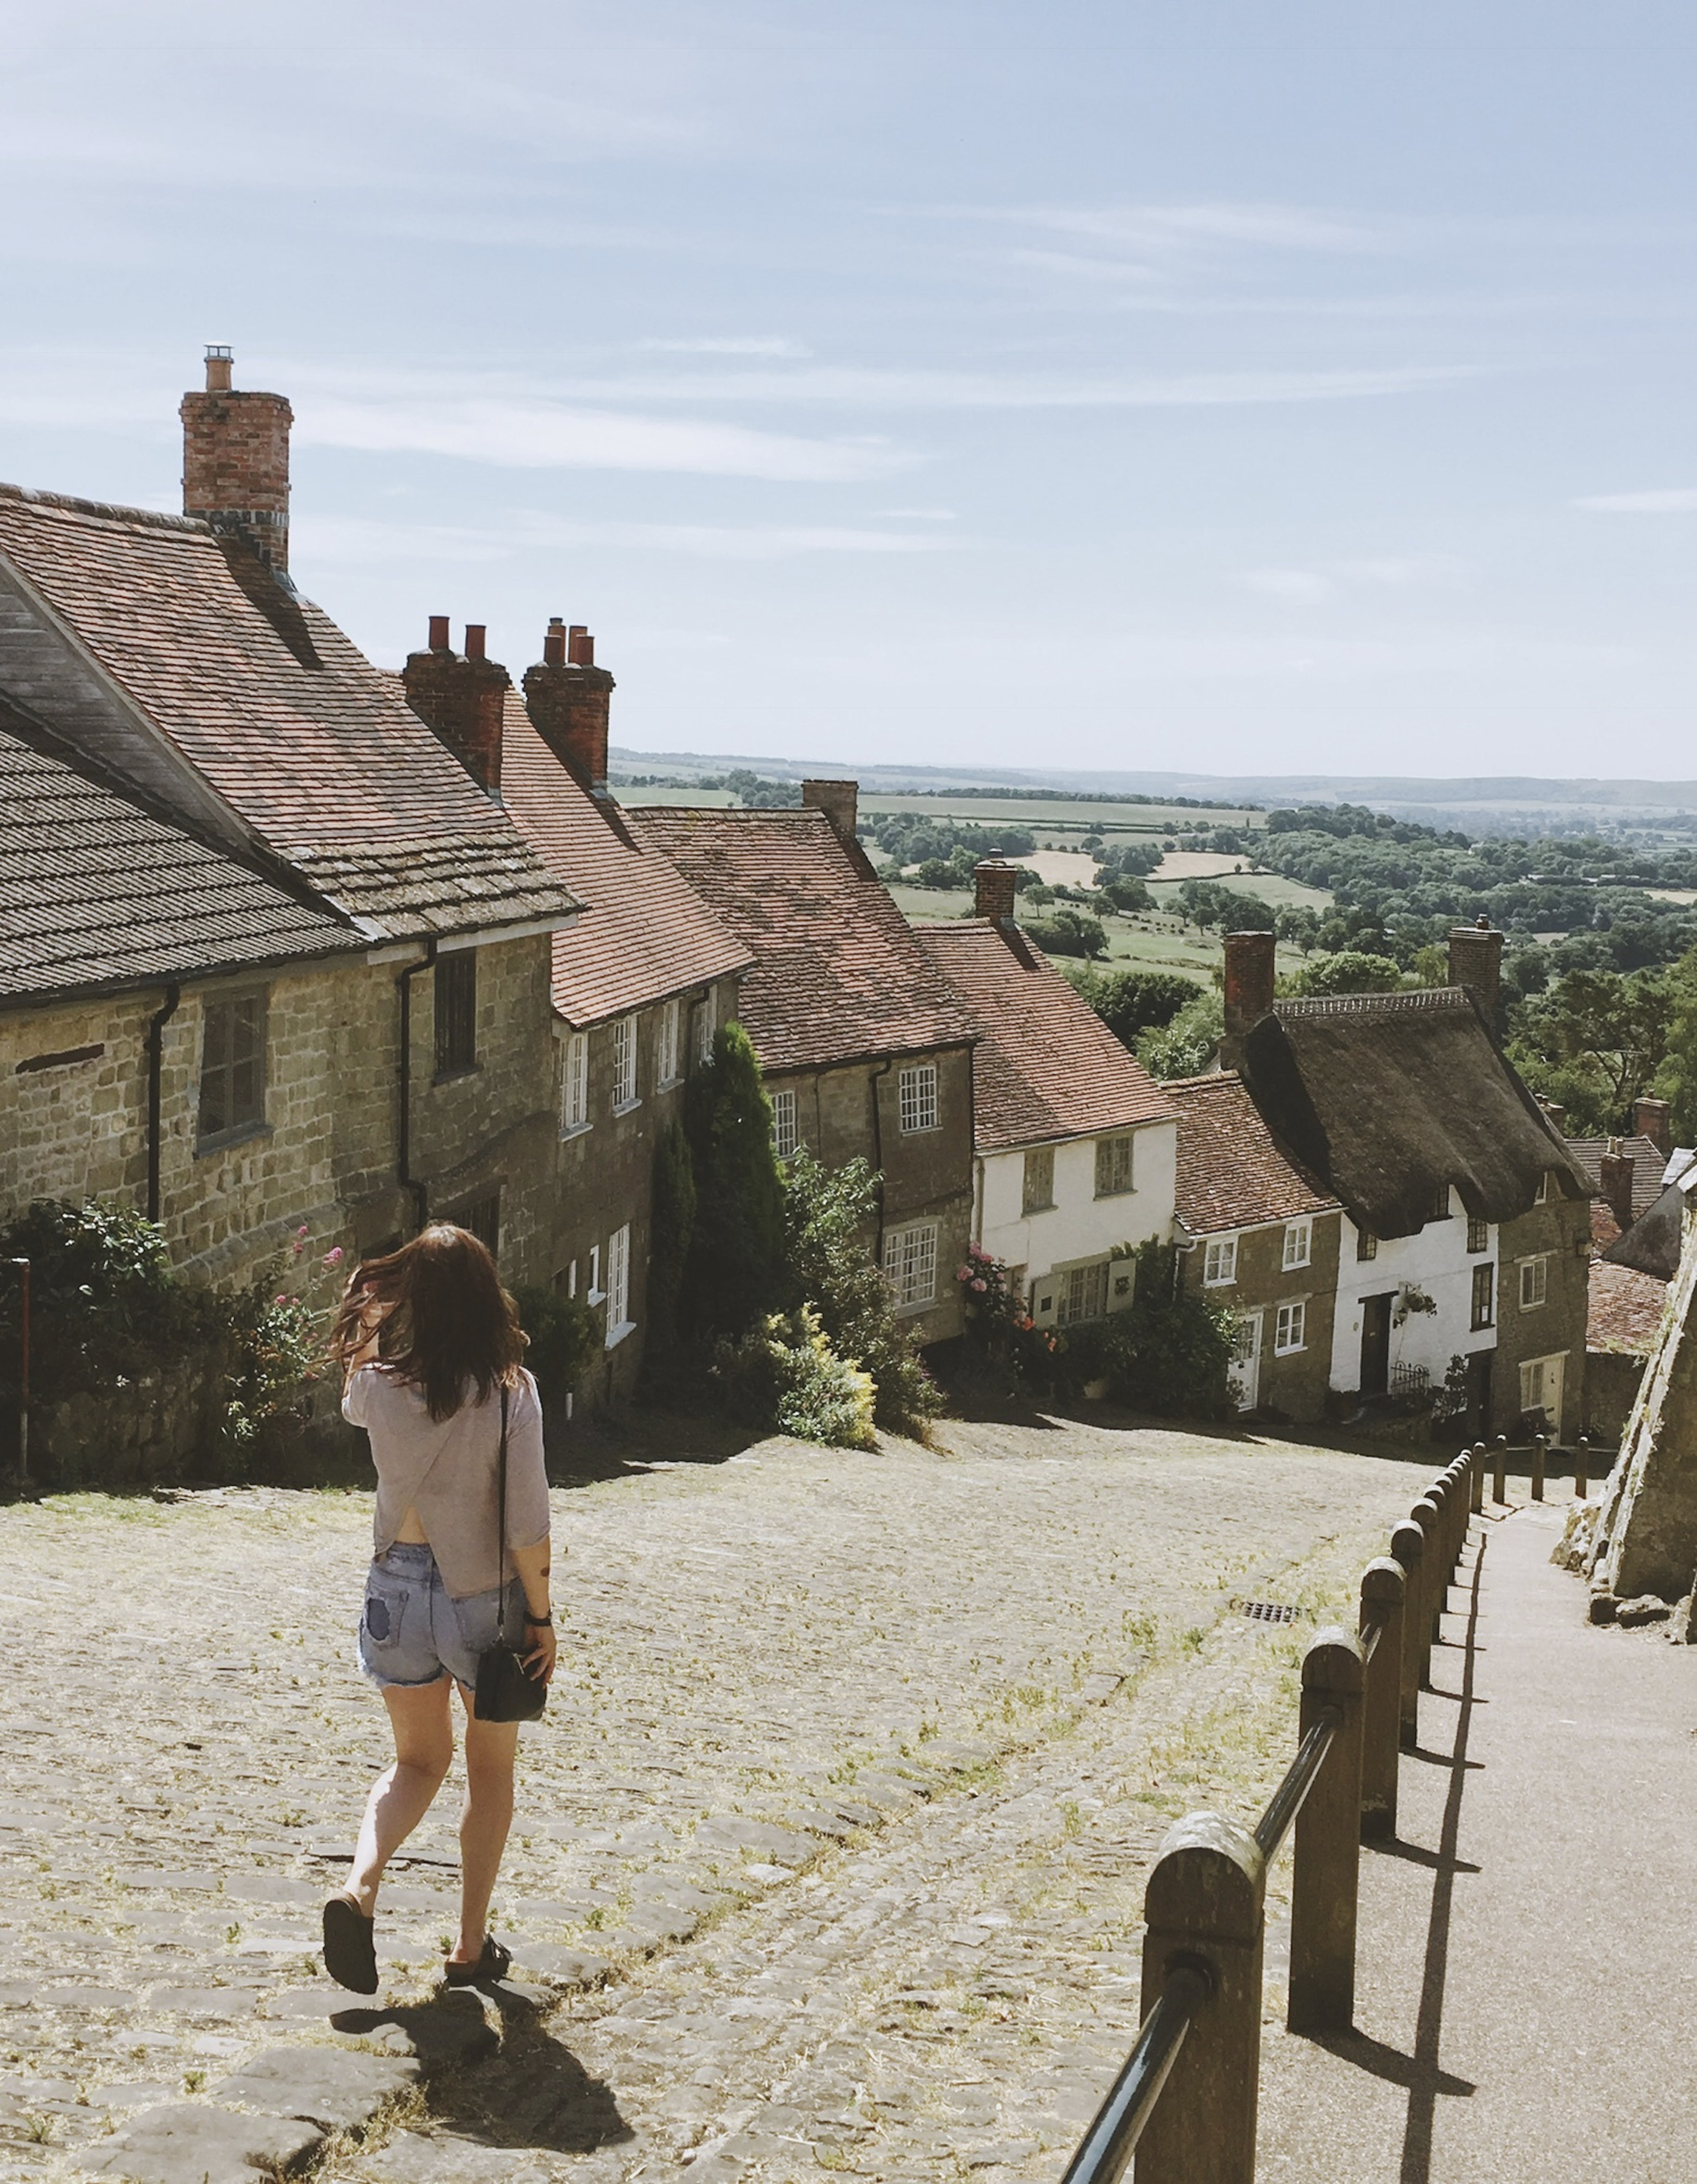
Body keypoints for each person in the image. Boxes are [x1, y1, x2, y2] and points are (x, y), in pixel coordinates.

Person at [320, 1225, 556, 1994]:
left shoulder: (382, 1388)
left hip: (393, 1593)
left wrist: (369, 1309)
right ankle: (467, 1945)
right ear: (490, 1299)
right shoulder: (510, 1391)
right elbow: (527, 1527)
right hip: (479, 1605)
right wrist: (543, 1617)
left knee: (417, 1761)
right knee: (489, 1775)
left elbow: (351, 1381)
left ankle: (359, 1886)